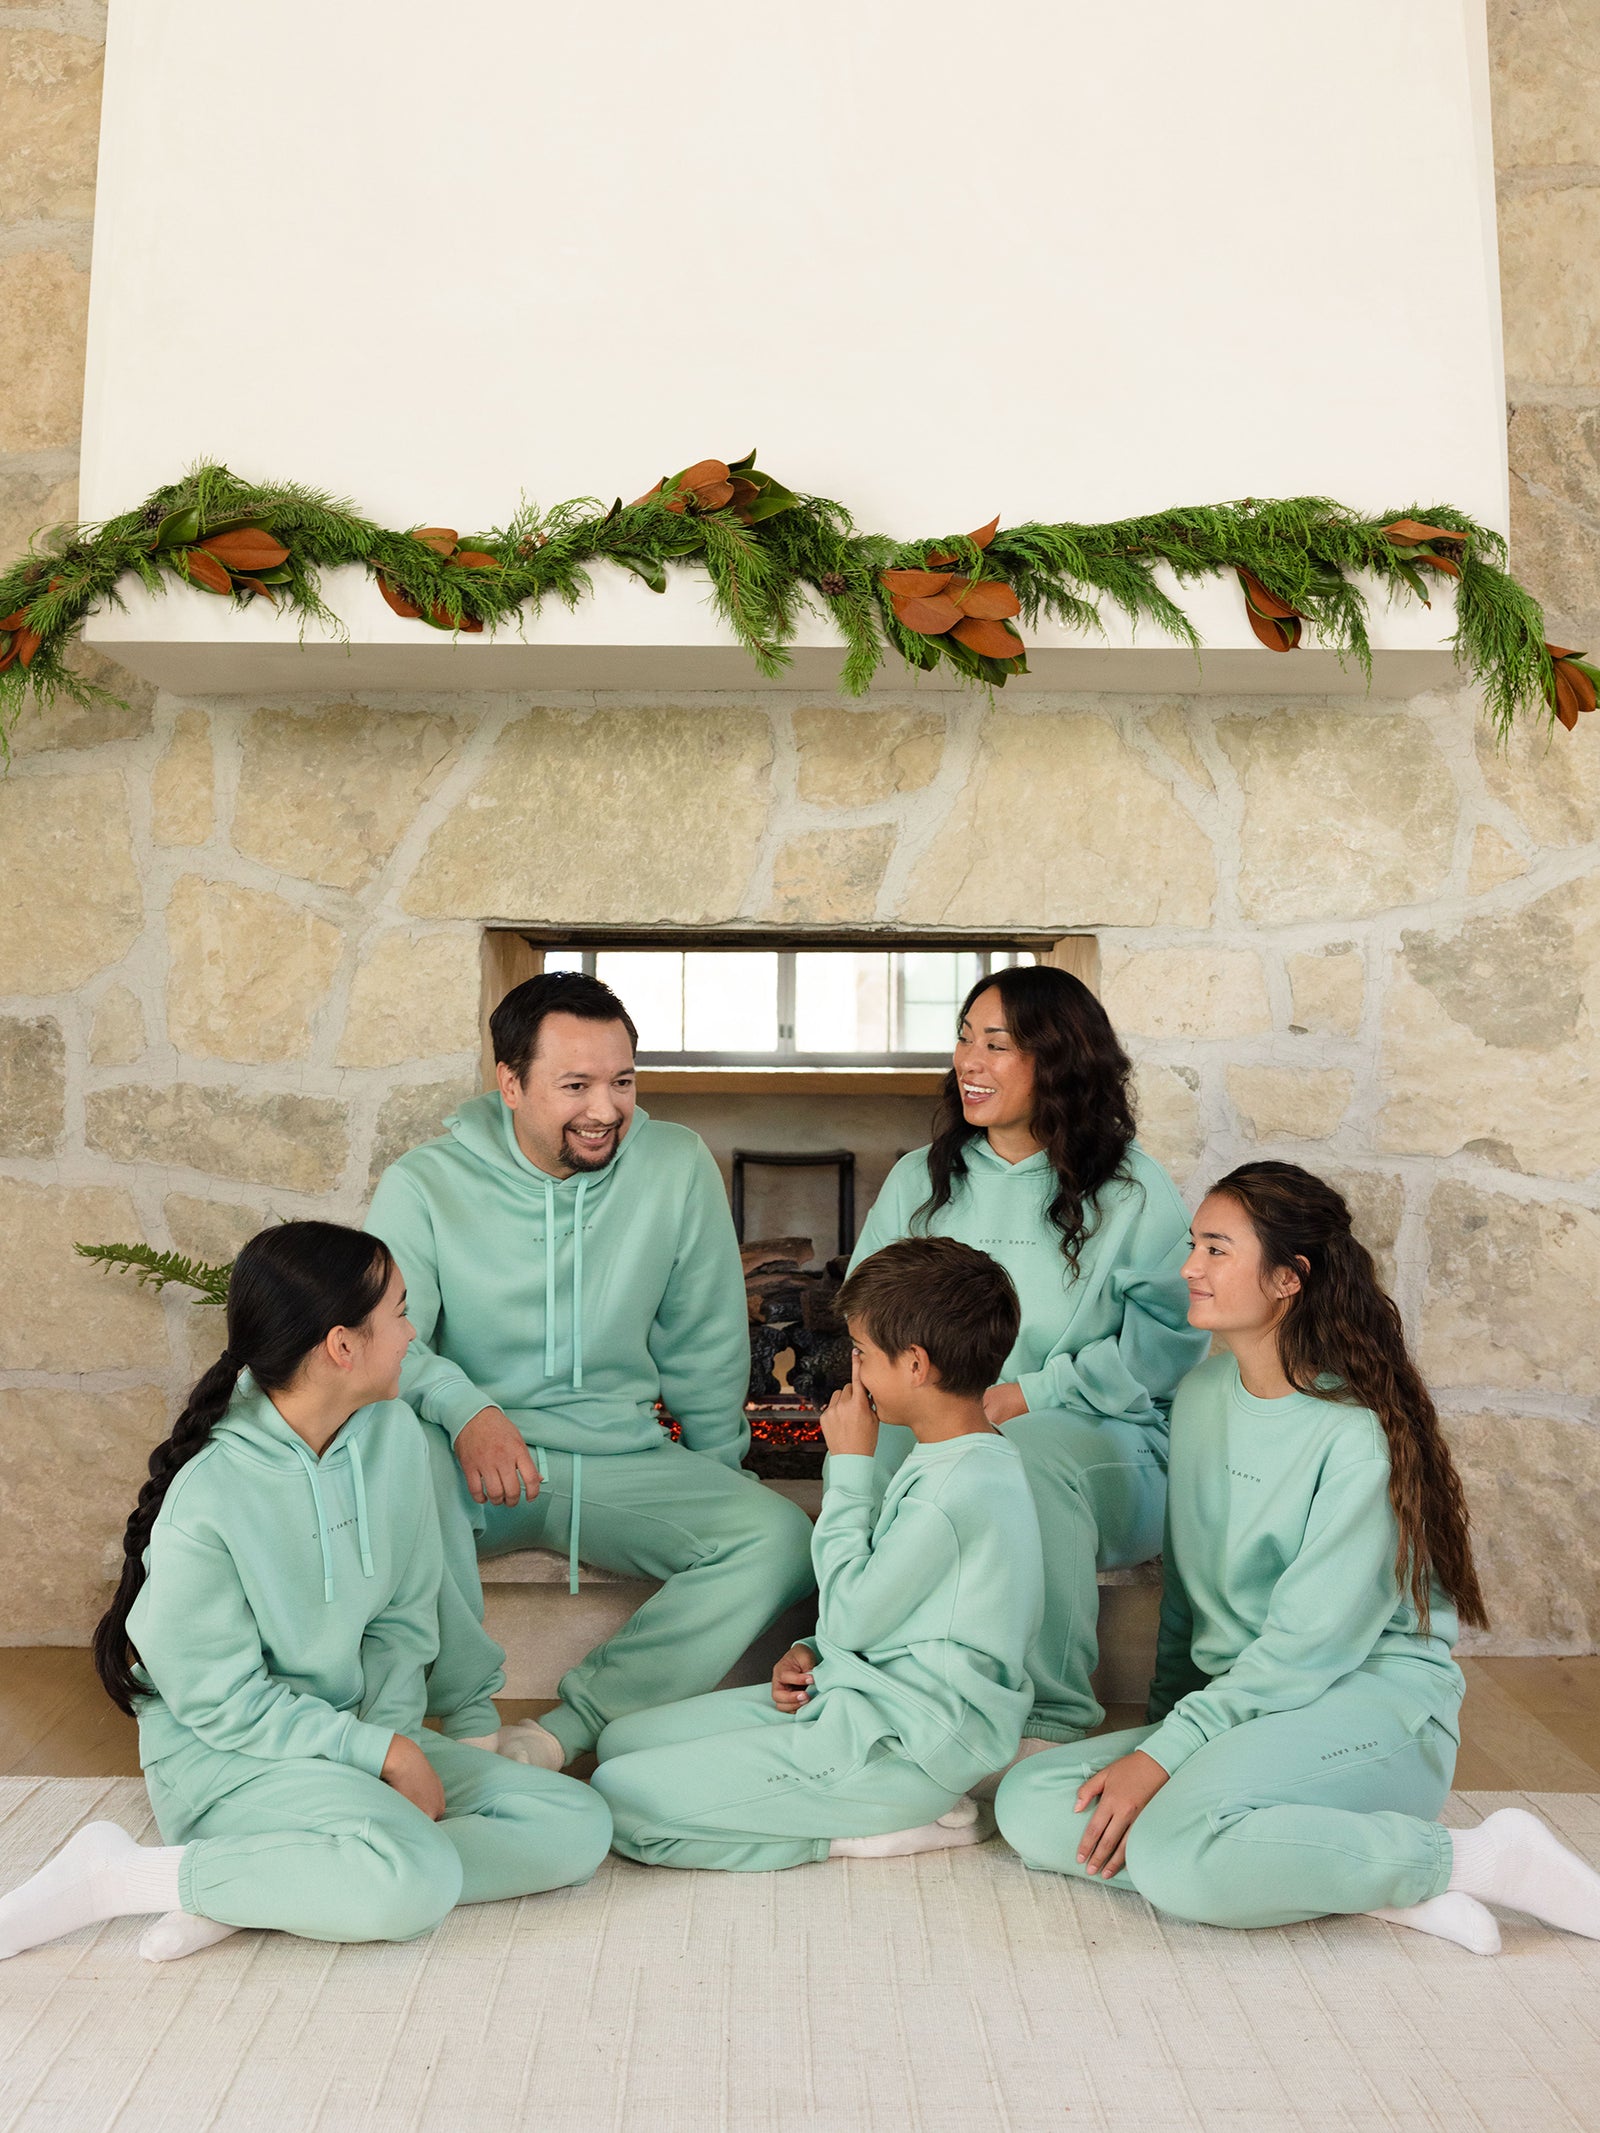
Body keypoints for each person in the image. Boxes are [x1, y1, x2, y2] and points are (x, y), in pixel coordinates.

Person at [995, 1162, 1600, 1955]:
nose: (1189, 1268)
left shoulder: (1356, 1434)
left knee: (1177, 1852)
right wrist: (1159, 1736)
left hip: (1366, 1708)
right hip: (1251, 1709)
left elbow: (1306, 1651)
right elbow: (1188, 1599)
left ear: (1288, 1277)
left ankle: (1480, 1856)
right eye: (1193, 1246)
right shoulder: (1206, 1397)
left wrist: (1168, 1760)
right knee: (1030, 1799)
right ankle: (1343, 1874)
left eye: (1216, 1249)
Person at [0, 1222, 610, 1968]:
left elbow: (402, 1621)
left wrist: (388, 1746)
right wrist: (373, 1750)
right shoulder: (211, 1497)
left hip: (352, 1740)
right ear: (342, 1346)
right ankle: (123, 1876)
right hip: (231, 1760)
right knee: (413, 1878)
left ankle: (266, 1883)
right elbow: (222, 1703)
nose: (412, 1333)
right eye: (399, 1314)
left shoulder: (394, 1441)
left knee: (573, 1823)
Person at [366, 970, 815, 1772]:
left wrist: (716, 1479)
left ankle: (560, 1733)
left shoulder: (674, 1164)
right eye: (575, 1085)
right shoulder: (424, 1184)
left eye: (622, 1081)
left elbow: (705, 1334)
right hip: (470, 1467)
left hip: (618, 1462)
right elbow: (388, 1339)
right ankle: (464, 1722)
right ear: (510, 1082)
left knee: (780, 1538)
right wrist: (467, 1411)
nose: (606, 1109)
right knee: (398, 1443)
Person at [589, 1237, 1044, 1870]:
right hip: (857, 1698)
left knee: (622, 1803)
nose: (852, 1369)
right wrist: (818, 1653)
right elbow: (895, 1610)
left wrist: (850, 1465)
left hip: (903, 1745)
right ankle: (865, 1803)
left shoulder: (956, 1487)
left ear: (914, 1365)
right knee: (618, 1743)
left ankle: (867, 1832)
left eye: (862, 1353)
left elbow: (855, 1615)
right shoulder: (957, 1457)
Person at [850, 963, 1205, 1754]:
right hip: (956, 1431)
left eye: (996, 1044)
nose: (968, 1061)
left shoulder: (1134, 1190)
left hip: (1110, 1448)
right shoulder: (921, 1179)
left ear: (1057, 1059)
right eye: (963, 1039)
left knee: (1024, 1454)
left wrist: (1029, 1392)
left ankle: (1047, 1719)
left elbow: (1170, 1343)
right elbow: (864, 1315)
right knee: (877, 1453)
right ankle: (859, 1681)